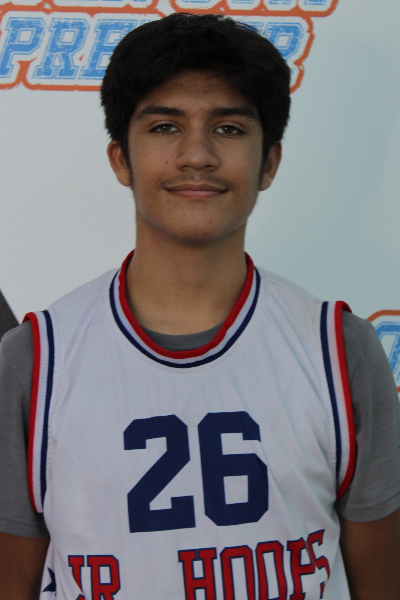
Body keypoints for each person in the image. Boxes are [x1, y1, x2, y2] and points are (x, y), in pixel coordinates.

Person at [1, 12, 400, 600]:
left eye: (229, 128)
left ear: (269, 162)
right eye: (165, 126)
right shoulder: (35, 361)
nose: (197, 155)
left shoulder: (341, 351)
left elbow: (380, 583)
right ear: (120, 159)